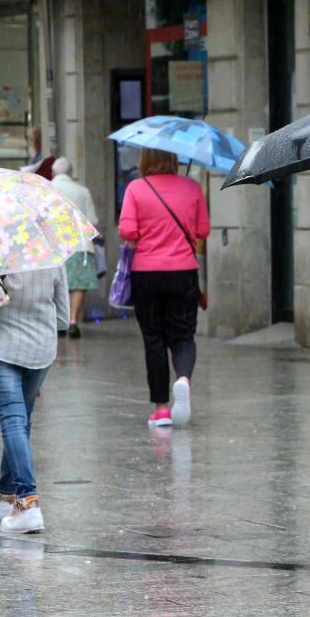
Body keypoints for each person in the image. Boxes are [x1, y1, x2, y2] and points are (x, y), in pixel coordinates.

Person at [0, 267, 69, 534]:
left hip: (2, 345)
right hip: (42, 348)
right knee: (20, 421)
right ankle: (5, 495)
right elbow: (63, 317)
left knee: (13, 420)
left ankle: (28, 503)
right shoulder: (50, 250)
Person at [118, 147, 210, 428]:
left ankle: (160, 409)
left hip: (146, 273)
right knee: (183, 336)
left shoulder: (136, 188)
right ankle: (183, 378)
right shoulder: (192, 187)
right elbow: (203, 231)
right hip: (184, 272)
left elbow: (127, 231)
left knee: (153, 339)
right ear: (174, 159)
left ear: (145, 159)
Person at [51, 157, 100, 338]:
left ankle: (59, 322)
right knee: (78, 285)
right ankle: (72, 321)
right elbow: (93, 220)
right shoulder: (82, 191)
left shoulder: (46, 190)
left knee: (56, 285)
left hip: (55, 248)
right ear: (71, 173)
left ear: (53, 173)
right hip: (80, 246)